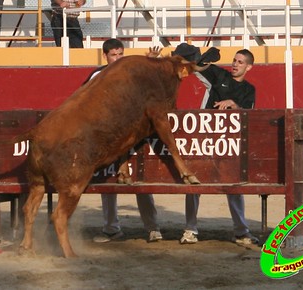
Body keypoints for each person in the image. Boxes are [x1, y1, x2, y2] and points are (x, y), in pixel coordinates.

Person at [172, 43, 260, 246]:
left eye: (240, 62)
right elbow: (197, 66)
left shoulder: (249, 90)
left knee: (234, 186)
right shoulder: (219, 76)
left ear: (249, 67)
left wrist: (233, 105)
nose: (235, 65)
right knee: (194, 184)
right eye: (235, 61)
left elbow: (249, 116)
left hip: (230, 142)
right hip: (205, 137)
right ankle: (190, 229)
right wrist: (204, 57)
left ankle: (241, 231)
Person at [87, 38, 163, 243]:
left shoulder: (133, 72)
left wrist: (151, 63)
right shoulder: (96, 75)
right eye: (114, 55)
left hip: (134, 138)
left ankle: (153, 228)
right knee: (108, 182)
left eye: (121, 54)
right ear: (105, 56)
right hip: (109, 139)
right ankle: (111, 228)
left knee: (141, 182)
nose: (118, 58)